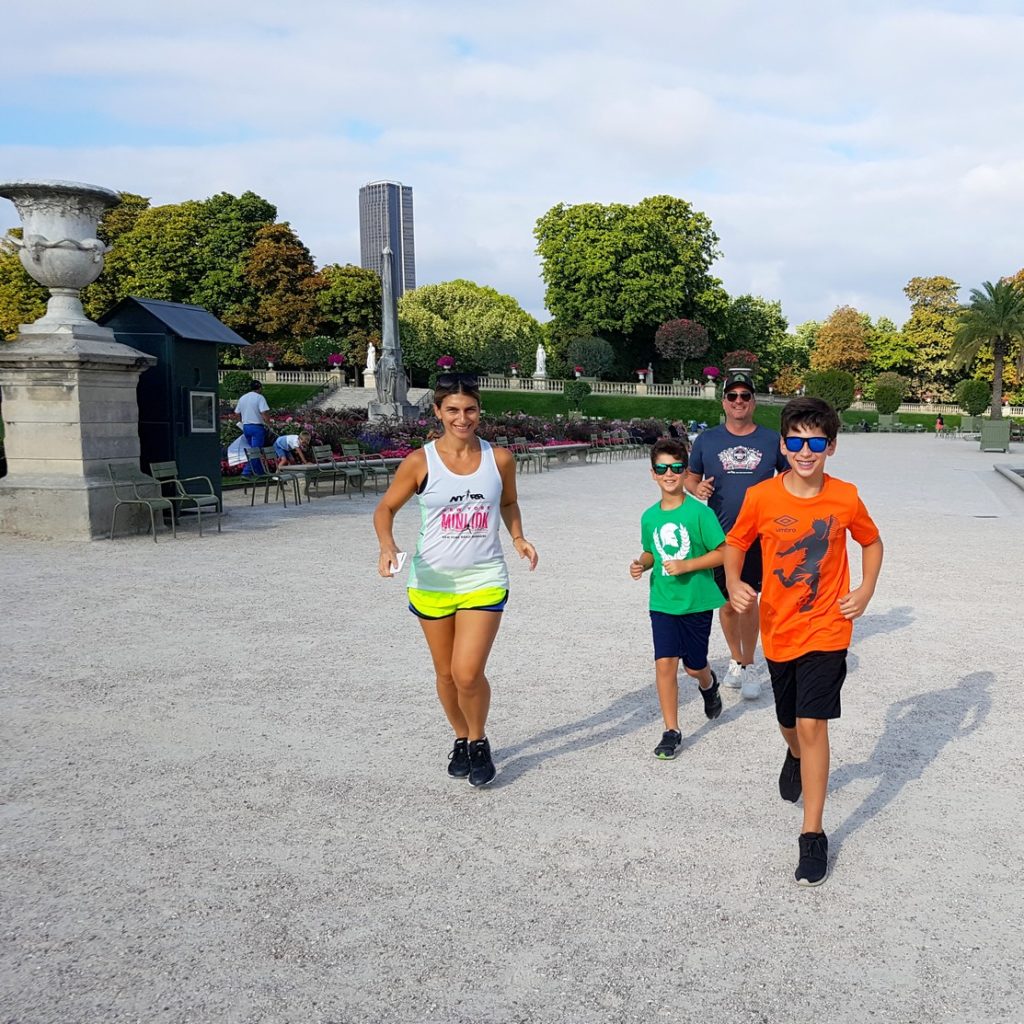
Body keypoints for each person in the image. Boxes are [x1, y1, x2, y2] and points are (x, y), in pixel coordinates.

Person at [724, 397, 883, 887]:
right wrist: (733, 583)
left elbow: (871, 541)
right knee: (789, 722)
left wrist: (864, 589)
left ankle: (812, 833)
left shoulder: (846, 497)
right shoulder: (763, 497)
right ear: (784, 445)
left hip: (828, 629)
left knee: (814, 722)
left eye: (816, 441)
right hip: (779, 627)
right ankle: (792, 753)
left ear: (831, 446)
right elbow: (736, 542)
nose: (806, 450)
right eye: (796, 441)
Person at [373, 374, 538, 787]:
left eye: (470, 409)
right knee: (445, 674)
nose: (462, 418)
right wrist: (386, 546)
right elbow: (385, 508)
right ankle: (461, 737)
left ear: (479, 411)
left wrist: (517, 537)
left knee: (467, 673)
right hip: (431, 580)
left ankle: (479, 740)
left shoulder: (499, 459)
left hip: (484, 576)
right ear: (437, 412)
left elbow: (509, 501)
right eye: (452, 410)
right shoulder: (420, 461)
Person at [684, 371, 788, 699]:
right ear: (724, 401)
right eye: (733, 396)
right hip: (720, 534)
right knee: (727, 603)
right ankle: (736, 659)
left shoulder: (771, 440)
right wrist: (696, 487)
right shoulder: (708, 440)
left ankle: (750, 661)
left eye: (745, 396)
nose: (739, 401)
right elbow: (690, 476)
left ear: (754, 401)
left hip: (759, 534)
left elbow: (789, 477)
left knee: (750, 599)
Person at [630, 439, 726, 760]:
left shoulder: (699, 514)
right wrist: (642, 564)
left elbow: (723, 552)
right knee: (665, 664)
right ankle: (671, 730)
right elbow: (650, 551)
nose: (669, 473)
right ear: (653, 474)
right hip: (663, 601)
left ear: (685, 472)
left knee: (693, 666)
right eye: (662, 468)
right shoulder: (649, 516)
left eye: (675, 467)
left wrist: (688, 565)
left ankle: (708, 683)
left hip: (696, 602)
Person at [234, 380, 270, 477]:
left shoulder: (243, 398)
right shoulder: (260, 398)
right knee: (256, 451)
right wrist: (269, 424)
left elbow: (237, 413)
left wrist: (240, 422)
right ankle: (247, 472)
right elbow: (264, 413)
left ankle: (259, 471)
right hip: (257, 427)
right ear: (259, 388)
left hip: (246, 427)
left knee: (253, 451)